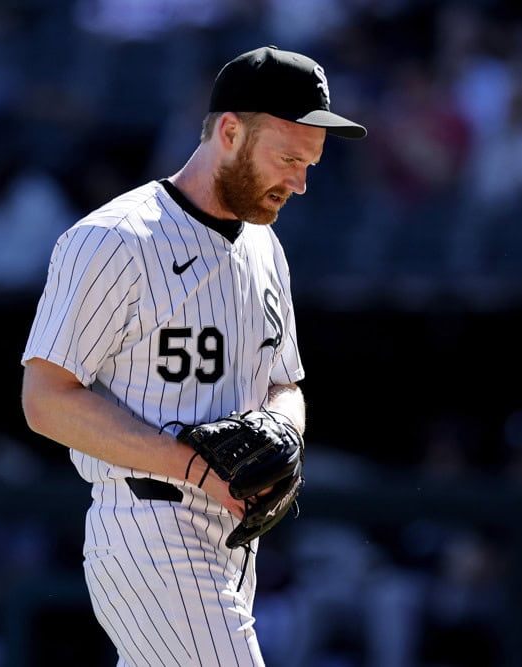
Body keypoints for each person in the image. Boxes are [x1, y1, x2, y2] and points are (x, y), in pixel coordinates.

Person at [20, 45, 366, 667]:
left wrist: (285, 429)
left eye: (309, 165)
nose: (300, 182)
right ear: (230, 132)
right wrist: (193, 465)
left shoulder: (266, 248)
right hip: (148, 526)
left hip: (233, 542)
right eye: (288, 159)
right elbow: (45, 399)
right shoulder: (114, 239)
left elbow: (287, 382)